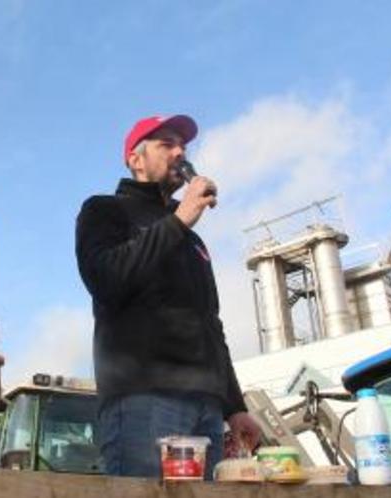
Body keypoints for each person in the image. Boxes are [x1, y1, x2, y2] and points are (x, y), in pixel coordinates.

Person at [75, 115, 260, 479]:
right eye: (166, 143)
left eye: (183, 146)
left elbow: (210, 324)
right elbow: (106, 279)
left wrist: (234, 407)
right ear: (135, 158)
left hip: (206, 406)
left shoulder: (192, 239)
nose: (179, 151)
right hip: (144, 398)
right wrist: (178, 222)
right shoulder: (104, 210)